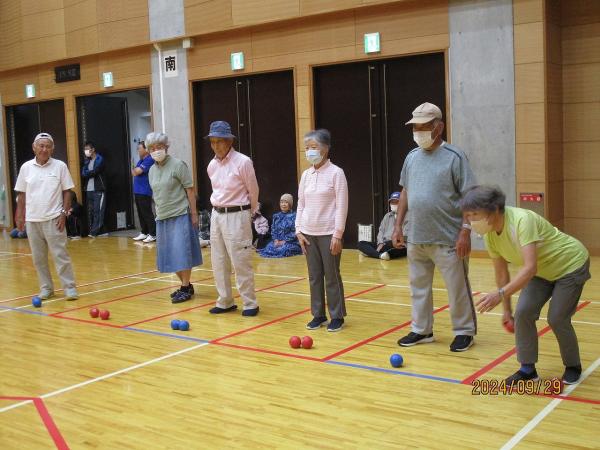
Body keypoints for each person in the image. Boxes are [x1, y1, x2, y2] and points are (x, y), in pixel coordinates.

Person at [461, 185, 591, 385]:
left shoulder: (522, 220)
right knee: (523, 313)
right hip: (542, 271)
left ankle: (573, 365)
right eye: (467, 215)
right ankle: (527, 369)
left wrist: (500, 294)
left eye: (474, 214)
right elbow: (501, 273)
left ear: (494, 210)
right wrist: (506, 311)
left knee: (557, 318)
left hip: (570, 264)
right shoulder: (490, 236)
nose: (471, 221)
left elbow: (529, 268)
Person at [392, 102, 477, 352]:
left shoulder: (455, 157)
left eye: (423, 127)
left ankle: (464, 331)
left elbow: (469, 195)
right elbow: (405, 190)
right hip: (416, 236)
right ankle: (422, 329)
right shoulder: (411, 157)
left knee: (457, 288)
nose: (418, 132)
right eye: (415, 127)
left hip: (449, 238)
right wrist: (398, 225)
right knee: (418, 287)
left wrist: (465, 230)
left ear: (438, 127)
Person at [14, 132, 78, 301]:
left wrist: (64, 214)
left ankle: (69, 288)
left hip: (54, 219)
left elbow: (67, 192)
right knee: (38, 259)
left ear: (52, 149)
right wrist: (19, 216)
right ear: (34, 147)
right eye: (41, 146)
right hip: (32, 221)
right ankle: (46, 288)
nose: (44, 149)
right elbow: (21, 194)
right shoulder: (26, 168)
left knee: (60, 256)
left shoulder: (60, 166)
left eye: (48, 146)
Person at [296, 129, 348, 332]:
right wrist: (299, 230)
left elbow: (342, 206)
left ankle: (337, 315)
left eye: (313, 147)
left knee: (332, 275)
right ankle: (318, 314)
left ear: (325, 149)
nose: (309, 152)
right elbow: (301, 204)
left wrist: (338, 234)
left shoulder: (336, 173)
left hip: (328, 233)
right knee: (314, 276)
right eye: (307, 148)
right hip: (308, 233)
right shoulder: (306, 175)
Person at [206, 121, 260, 316]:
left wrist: (249, 212)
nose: (216, 145)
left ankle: (250, 303)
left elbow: (253, 190)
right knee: (218, 260)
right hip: (216, 215)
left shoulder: (243, 162)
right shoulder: (211, 165)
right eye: (212, 141)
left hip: (238, 214)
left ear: (229, 141)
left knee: (240, 260)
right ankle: (225, 301)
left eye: (220, 141)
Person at [147, 132, 202, 303]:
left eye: (159, 147)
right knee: (169, 254)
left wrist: (193, 214)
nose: (156, 150)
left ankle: (185, 287)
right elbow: (155, 194)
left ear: (166, 147)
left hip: (180, 214)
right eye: (152, 148)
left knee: (182, 253)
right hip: (162, 217)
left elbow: (190, 190)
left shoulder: (178, 165)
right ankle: (187, 285)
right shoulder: (151, 170)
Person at [357, 191, 407, 260]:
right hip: (383, 243)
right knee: (361, 244)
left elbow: (404, 236)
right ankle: (380, 255)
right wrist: (380, 243)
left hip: (395, 243)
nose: (394, 204)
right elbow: (381, 231)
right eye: (392, 202)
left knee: (401, 249)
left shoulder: (407, 216)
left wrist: (388, 243)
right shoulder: (387, 216)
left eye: (396, 202)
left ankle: (372, 253)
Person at [259, 193, 302, 258]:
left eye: (286, 202)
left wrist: (283, 241)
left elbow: (295, 232)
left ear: (290, 204)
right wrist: (276, 240)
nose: (283, 204)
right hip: (277, 241)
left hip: (291, 242)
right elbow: (273, 230)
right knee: (269, 248)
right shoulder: (276, 216)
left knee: (284, 250)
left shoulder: (295, 216)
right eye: (282, 202)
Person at [131, 141, 156, 243]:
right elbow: (133, 172)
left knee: (147, 213)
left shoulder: (149, 159)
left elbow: (137, 171)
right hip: (137, 190)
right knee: (140, 213)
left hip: (145, 190)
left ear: (146, 150)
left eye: (139, 148)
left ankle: (153, 233)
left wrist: (135, 170)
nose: (138, 150)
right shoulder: (140, 161)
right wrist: (135, 170)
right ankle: (144, 232)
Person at [81, 141, 106, 237]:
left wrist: (88, 172)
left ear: (93, 149)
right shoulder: (87, 161)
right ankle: (98, 230)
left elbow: (96, 171)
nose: (86, 151)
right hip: (89, 189)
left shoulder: (100, 159)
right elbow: (83, 173)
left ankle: (95, 232)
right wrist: (88, 172)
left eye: (87, 149)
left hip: (99, 189)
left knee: (98, 211)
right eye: (85, 149)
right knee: (92, 211)